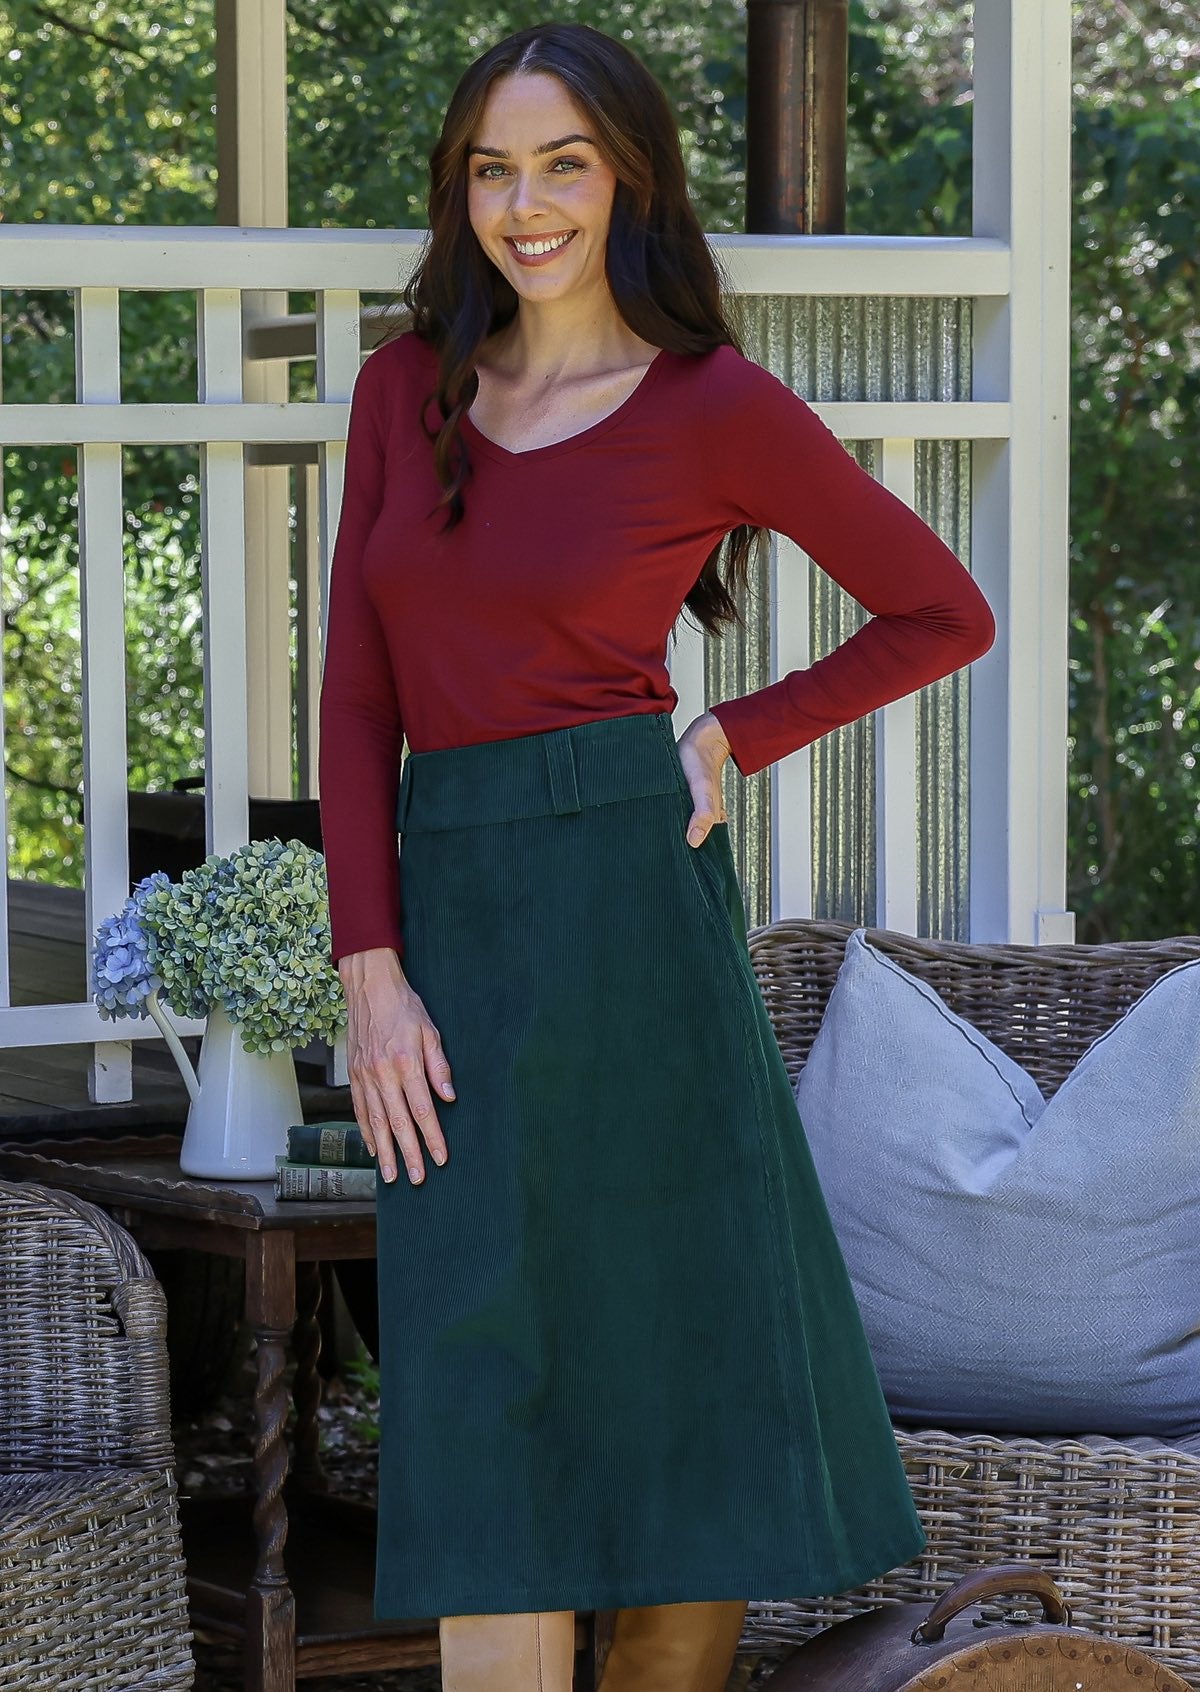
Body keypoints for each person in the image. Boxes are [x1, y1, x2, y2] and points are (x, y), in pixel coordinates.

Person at [317, 20, 996, 1692]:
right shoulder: (408, 390)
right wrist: (372, 973)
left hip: (635, 912)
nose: (523, 205)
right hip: (456, 930)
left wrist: (732, 733)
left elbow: (943, 610)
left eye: (561, 166)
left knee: (681, 1391)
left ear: (627, 179)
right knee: (489, 1412)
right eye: (493, 169)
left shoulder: (713, 406)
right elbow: (352, 700)